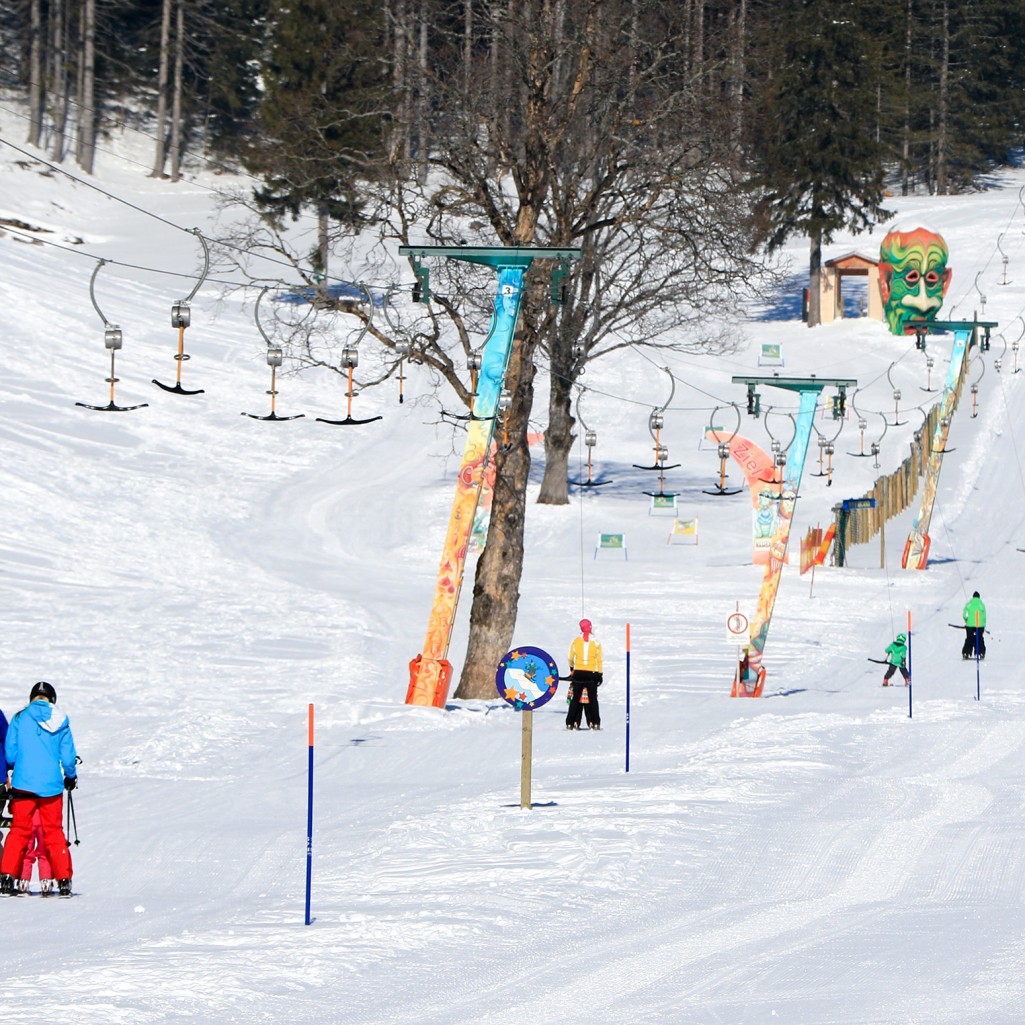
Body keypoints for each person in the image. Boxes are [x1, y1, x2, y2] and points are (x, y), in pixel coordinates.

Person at [0, 682, 77, 897]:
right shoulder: (61, 719)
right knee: (53, 832)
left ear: (32, 697)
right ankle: (63, 880)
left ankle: (7, 878)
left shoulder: (19, 718)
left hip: (23, 785)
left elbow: (11, 754)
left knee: (19, 832)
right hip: (51, 787)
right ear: (52, 698)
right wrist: (70, 776)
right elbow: (69, 757)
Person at [566, 618, 603, 730]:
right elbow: (599, 660)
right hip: (591, 673)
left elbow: (570, 657)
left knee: (575, 699)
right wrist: (600, 674)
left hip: (578, 673)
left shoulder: (576, 641)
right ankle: (595, 722)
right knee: (593, 699)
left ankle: (570, 722)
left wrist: (573, 667)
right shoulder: (596, 642)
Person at [962, 591, 986, 660]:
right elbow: (984, 617)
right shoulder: (981, 605)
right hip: (980, 625)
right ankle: (980, 652)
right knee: (979, 638)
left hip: (970, 625)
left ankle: (966, 652)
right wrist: (983, 625)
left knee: (969, 638)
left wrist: (967, 621)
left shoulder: (968, 604)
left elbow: (965, 615)